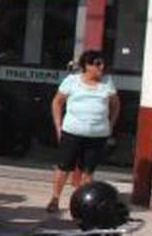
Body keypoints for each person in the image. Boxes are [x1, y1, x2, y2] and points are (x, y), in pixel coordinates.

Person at [47, 50, 120, 213]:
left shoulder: (107, 82)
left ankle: (82, 204)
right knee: (64, 166)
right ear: (86, 66)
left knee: (88, 171)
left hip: (97, 134)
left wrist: (110, 125)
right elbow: (57, 102)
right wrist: (58, 126)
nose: (101, 67)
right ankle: (55, 198)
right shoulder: (72, 81)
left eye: (103, 64)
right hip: (72, 131)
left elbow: (115, 105)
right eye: (97, 64)